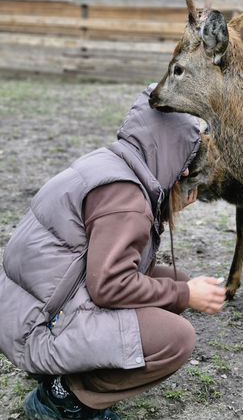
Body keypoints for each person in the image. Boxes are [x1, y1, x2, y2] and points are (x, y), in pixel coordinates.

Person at [0, 85, 226, 420]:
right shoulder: (127, 200)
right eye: (186, 165)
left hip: (25, 311)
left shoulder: (111, 164)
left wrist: (165, 214)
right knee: (177, 338)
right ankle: (66, 399)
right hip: (38, 329)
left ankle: (66, 373)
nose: (186, 176)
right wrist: (186, 294)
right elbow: (108, 286)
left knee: (173, 280)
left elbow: (118, 253)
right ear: (174, 159)